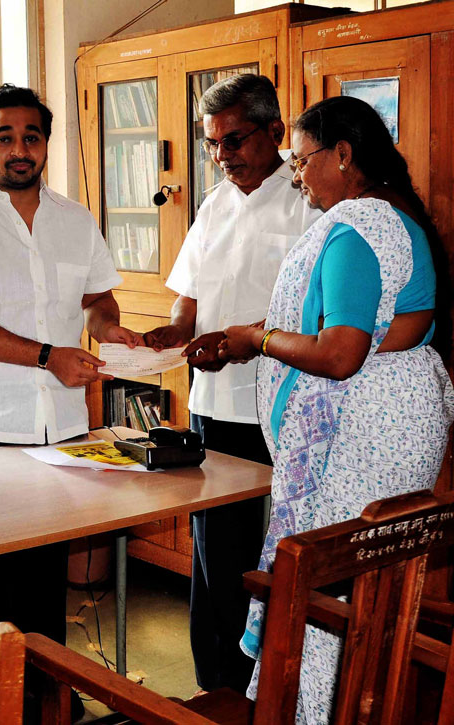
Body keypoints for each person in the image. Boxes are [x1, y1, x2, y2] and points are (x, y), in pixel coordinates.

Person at [218, 95, 454, 721]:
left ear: (343, 155)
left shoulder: (360, 226)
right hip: (395, 425)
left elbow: (342, 351)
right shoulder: (397, 217)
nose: (296, 175)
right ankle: (357, 704)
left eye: (301, 160)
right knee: (368, 589)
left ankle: (320, 709)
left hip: (365, 438)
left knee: (328, 583)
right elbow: (387, 324)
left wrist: (255, 340)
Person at [0, 84, 140, 663]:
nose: (20, 149)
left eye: (32, 137)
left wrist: (107, 326)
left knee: (45, 590)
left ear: (46, 145)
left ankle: (46, 700)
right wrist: (49, 356)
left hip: (62, 430)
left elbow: (97, 298)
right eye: (5, 137)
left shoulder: (75, 219)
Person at [142, 73, 321, 694]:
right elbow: (187, 304)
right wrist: (168, 337)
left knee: (278, 551)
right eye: (212, 144)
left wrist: (240, 341)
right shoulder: (215, 203)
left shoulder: (309, 202)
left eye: (235, 140)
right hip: (212, 406)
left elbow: (316, 311)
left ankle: (271, 687)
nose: (223, 156)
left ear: (276, 131)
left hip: (282, 403)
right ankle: (217, 686)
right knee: (214, 552)